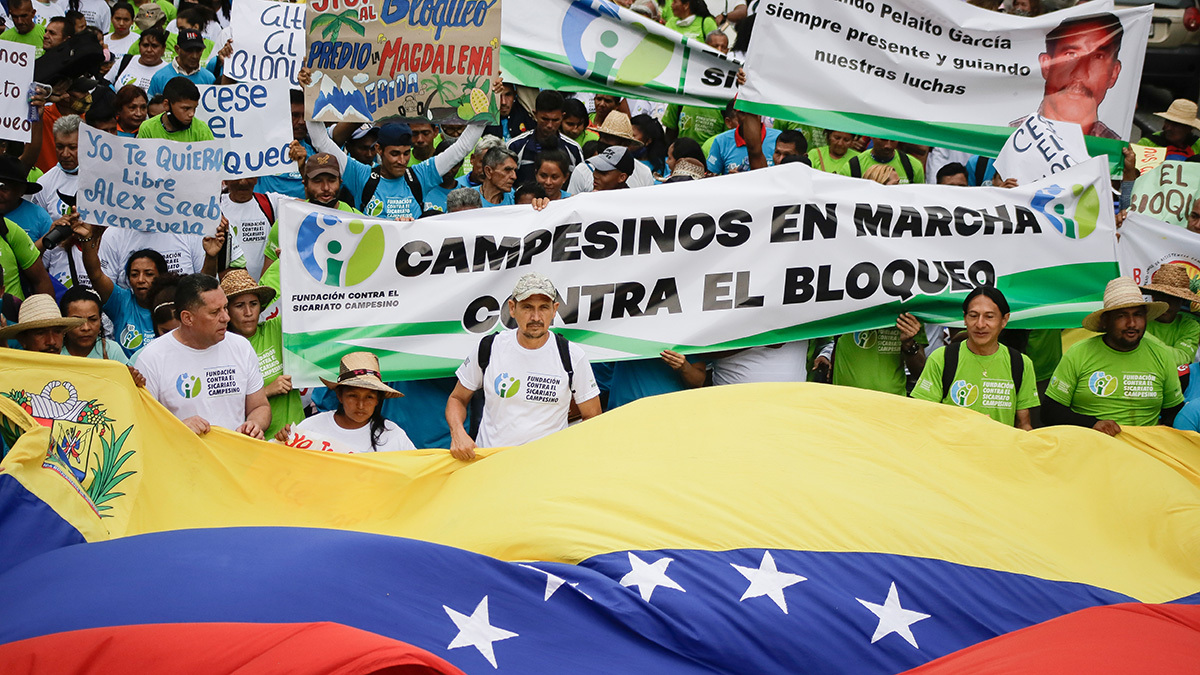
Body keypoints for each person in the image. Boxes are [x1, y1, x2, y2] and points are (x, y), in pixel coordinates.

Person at [446, 272, 601, 458]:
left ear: (555, 309)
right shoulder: (490, 347)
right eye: (527, 307)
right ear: (512, 308)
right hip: (491, 465)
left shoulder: (572, 356)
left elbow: (593, 419)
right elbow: (457, 399)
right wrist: (458, 433)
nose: (536, 317)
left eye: (543, 307)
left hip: (546, 469)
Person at [137, 273, 270, 438]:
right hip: (183, 461)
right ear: (187, 318)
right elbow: (140, 423)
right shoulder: (152, 358)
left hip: (236, 460)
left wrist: (254, 425)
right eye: (215, 312)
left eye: (225, 307)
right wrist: (178, 428)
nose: (226, 317)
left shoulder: (241, 347)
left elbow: (260, 407)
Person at [1045, 276, 1184, 433]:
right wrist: (1092, 424)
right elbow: (1050, 411)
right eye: (1121, 316)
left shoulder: (1162, 355)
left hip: (1143, 453)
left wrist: (1164, 429)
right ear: (1105, 320)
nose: (1131, 323)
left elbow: (1174, 410)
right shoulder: (1078, 353)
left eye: (1138, 314)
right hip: (1091, 449)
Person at [911, 287, 1038, 429]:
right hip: (952, 449)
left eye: (989, 316)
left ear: (1004, 320)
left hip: (999, 450)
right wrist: (966, 424)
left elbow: (1024, 425)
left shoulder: (1020, 363)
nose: (980, 324)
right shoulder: (942, 358)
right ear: (964, 318)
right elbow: (923, 416)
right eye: (973, 315)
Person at [279, 352, 415, 453]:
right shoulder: (311, 428)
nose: (361, 405)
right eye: (353, 396)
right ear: (340, 396)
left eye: (369, 397)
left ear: (377, 400)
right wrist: (282, 442)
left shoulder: (392, 435)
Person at [221, 269, 301, 440]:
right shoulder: (220, 347)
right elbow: (221, 404)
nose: (248, 312)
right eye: (239, 305)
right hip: (252, 442)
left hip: (295, 438)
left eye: (254, 304)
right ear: (226, 311)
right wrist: (266, 391)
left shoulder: (278, 328)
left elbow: (305, 303)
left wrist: (293, 264)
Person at [1029, 13, 1124, 139]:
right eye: (1071, 54)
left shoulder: (1116, 150)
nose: (1080, 73)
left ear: (1113, 73)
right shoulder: (1007, 137)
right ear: (1046, 65)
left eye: (1098, 57)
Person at [821, 314, 927, 396]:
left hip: (891, 406)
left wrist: (908, 343)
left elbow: (920, 373)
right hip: (847, 404)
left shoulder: (909, 314)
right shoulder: (845, 305)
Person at [0, 158, 55, 299]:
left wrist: (48, 318)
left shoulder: (10, 229)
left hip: (14, 316)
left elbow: (41, 280)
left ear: (20, 191)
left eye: (3, 188)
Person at [508, 90, 584, 184]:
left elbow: (580, 184)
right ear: (535, 115)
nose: (549, 125)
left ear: (562, 117)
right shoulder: (515, 146)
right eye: (545, 119)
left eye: (555, 120)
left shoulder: (573, 149)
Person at [568, 112, 655, 192]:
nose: (602, 141)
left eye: (609, 139)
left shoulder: (643, 173)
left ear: (625, 144)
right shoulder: (582, 170)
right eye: (601, 137)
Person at [1140, 263, 1200, 367]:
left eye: (1172, 299)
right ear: (1153, 298)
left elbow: (1182, 359)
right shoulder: (1139, 321)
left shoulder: (1190, 326)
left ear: (1181, 302)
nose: (1166, 305)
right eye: (1162, 297)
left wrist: (1145, 338)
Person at [58, 285, 129, 364]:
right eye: (77, 321)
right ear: (64, 322)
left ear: (100, 320)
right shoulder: (54, 353)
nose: (86, 328)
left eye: (93, 320)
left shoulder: (111, 351)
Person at [136, 76, 214, 141]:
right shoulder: (148, 128)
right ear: (166, 105)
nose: (192, 114)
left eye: (194, 108)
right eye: (186, 108)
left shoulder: (202, 130)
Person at [0, 293, 81, 353]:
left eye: (57, 332)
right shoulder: (12, 374)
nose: (51, 341)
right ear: (22, 340)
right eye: (40, 333)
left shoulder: (75, 372)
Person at [146, 29, 214, 98]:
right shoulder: (160, 78)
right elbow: (151, 106)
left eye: (198, 50)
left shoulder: (209, 78)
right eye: (189, 50)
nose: (194, 56)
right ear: (177, 49)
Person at [1135, 100, 1200, 162]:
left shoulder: (1198, 144)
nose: (1168, 128)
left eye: (1176, 124)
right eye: (1168, 122)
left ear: (1188, 128)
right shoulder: (1147, 143)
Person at [840, 137, 925, 184]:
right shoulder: (853, 166)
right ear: (872, 136)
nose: (888, 145)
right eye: (883, 140)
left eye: (893, 140)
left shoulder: (913, 166)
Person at [107, 26, 167, 92]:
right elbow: (106, 83)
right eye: (145, 45)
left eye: (154, 46)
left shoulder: (167, 70)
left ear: (163, 48)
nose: (149, 50)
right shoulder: (125, 61)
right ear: (139, 46)